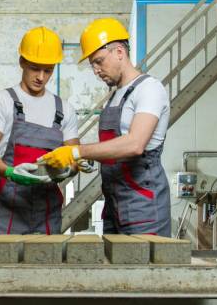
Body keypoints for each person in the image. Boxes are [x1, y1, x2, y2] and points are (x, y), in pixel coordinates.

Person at [40, 18, 171, 237]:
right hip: (114, 205)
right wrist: (90, 159)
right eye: (92, 64)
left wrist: (77, 151)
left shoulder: (149, 89)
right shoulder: (115, 96)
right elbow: (114, 148)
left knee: (142, 269)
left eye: (99, 61)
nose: (96, 70)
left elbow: (135, 144)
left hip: (143, 207)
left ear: (119, 51)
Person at [0, 26, 80, 235]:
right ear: (22, 62)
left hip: (47, 214)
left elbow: (74, 157)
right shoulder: (1, 102)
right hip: (6, 212)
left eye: (48, 70)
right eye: (35, 68)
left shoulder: (65, 110)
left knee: (45, 267)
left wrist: (68, 170)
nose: (41, 77)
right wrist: (11, 173)